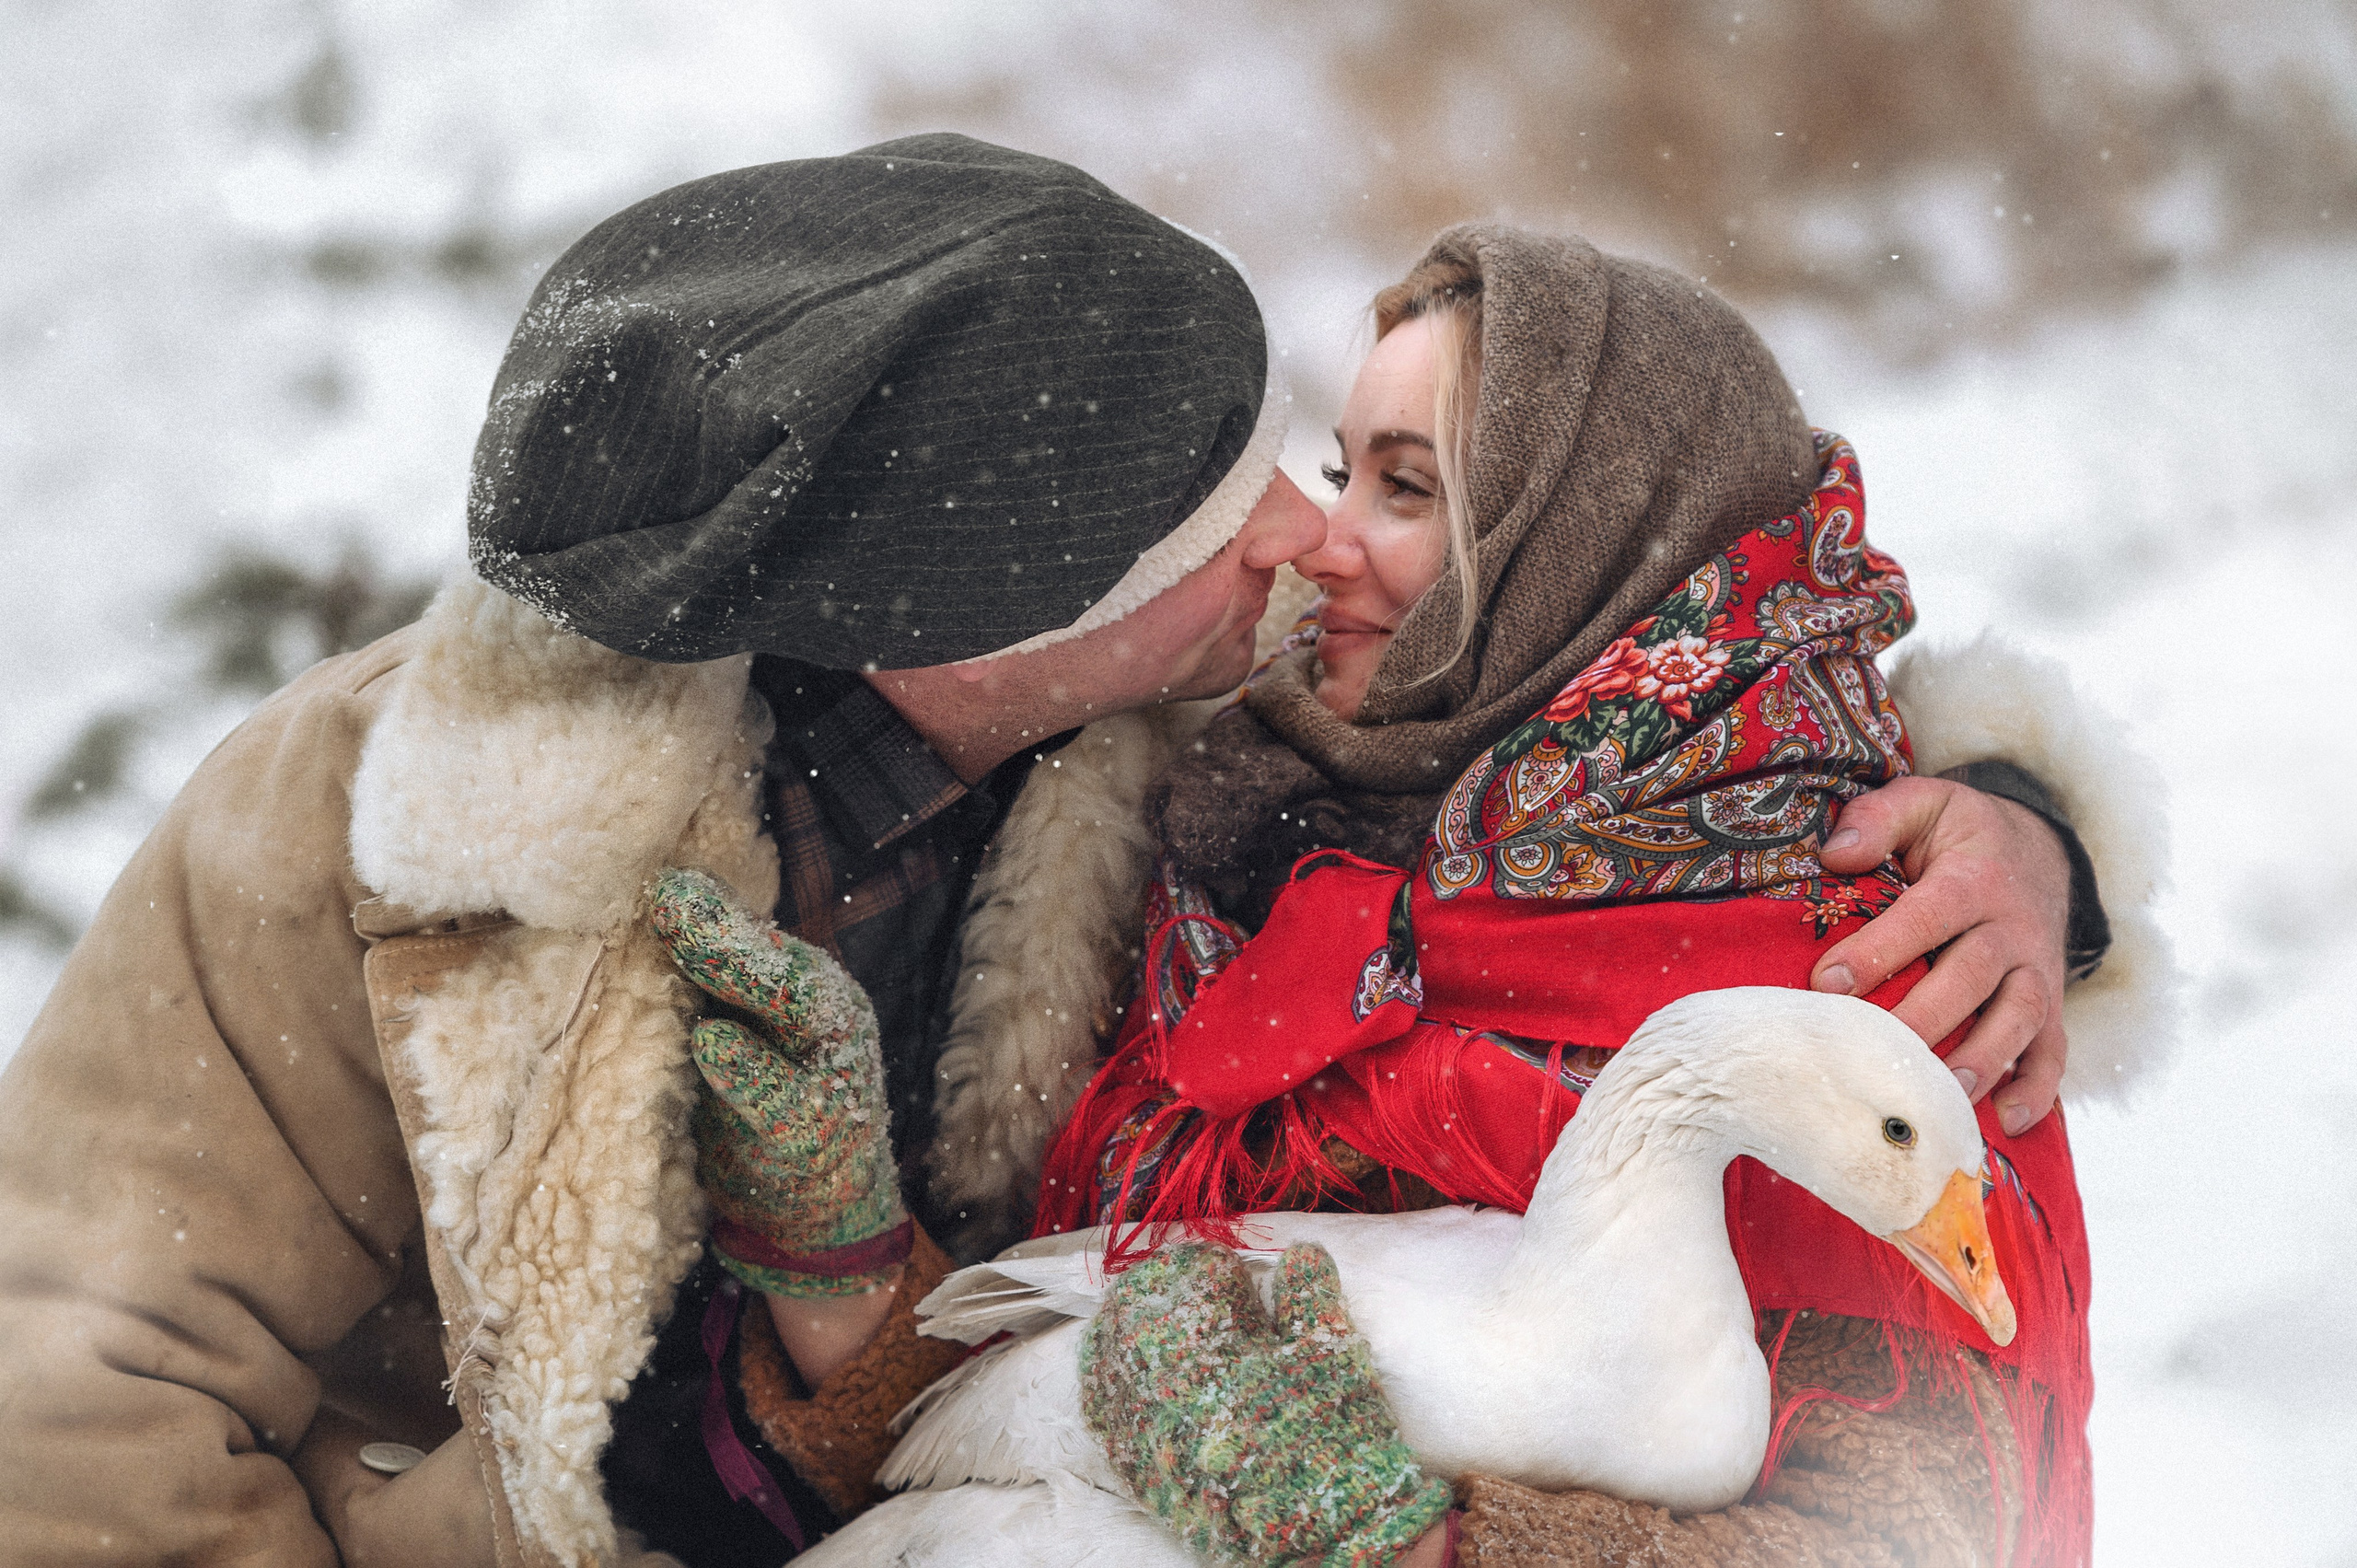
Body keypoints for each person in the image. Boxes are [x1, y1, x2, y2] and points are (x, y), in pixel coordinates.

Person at [0, 133, 2116, 1567]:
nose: (1300, 541)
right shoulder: (386, 833)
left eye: (1383, 481)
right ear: (987, 602)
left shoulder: (1250, 762)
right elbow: (72, 1400)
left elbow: (1685, 691)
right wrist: (839, 1304)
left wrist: (2023, 835)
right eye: (1247, 500)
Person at [1008, 228, 2170, 1566]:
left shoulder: (1871, 973)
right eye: (1346, 474)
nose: (1321, 545)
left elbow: (1911, 1537)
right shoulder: (1250, 828)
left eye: (1405, 487)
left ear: (1579, 540)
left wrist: (1408, 1548)